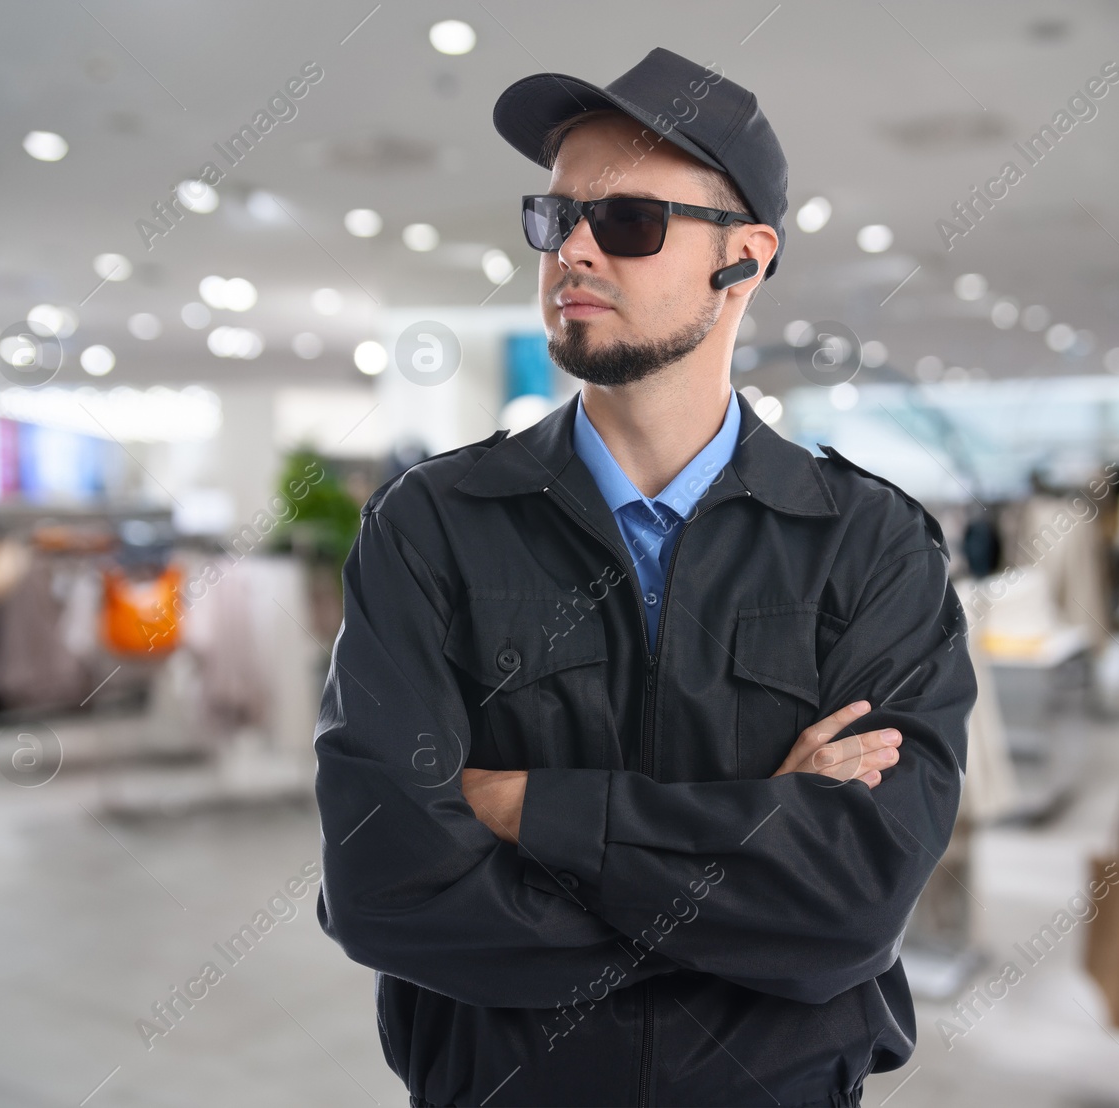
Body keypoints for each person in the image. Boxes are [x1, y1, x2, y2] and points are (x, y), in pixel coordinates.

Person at [312, 46, 976, 1107]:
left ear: (745, 259)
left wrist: (526, 806)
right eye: (553, 216)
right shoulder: (432, 525)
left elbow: (849, 904)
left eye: (626, 220)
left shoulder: (870, 545)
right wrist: (751, 877)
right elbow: (383, 884)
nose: (572, 248)